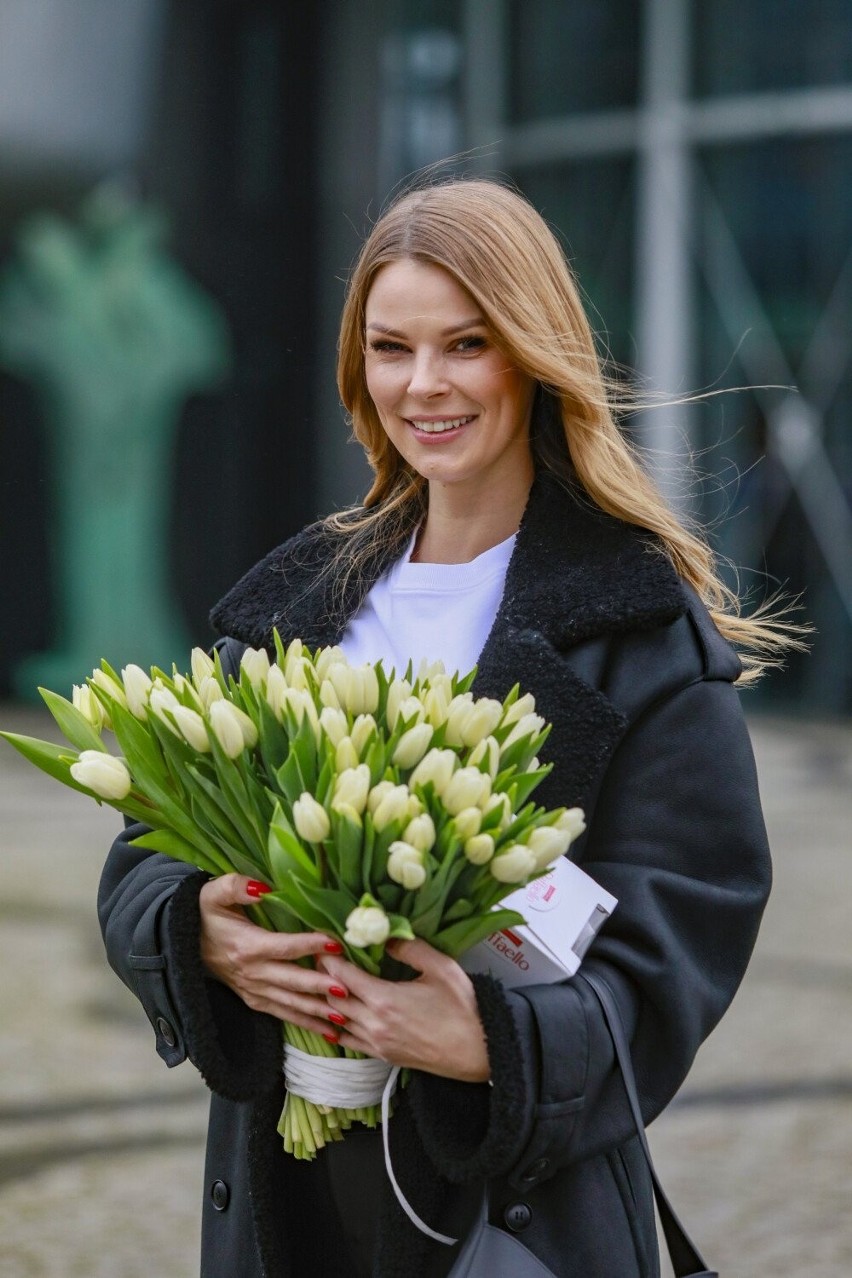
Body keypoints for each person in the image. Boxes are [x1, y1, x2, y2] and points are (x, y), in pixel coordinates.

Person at [98, 178, 797, 1278]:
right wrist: (199, 936)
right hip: (287, 1198)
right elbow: (144, 853)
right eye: (391, 348)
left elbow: (685, 936)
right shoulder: (294, 604)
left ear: (530, 352)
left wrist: (493, 1044)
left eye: (466, 343)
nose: (423, 384)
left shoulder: (637, 622)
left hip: (512, 1206)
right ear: (357, 368)